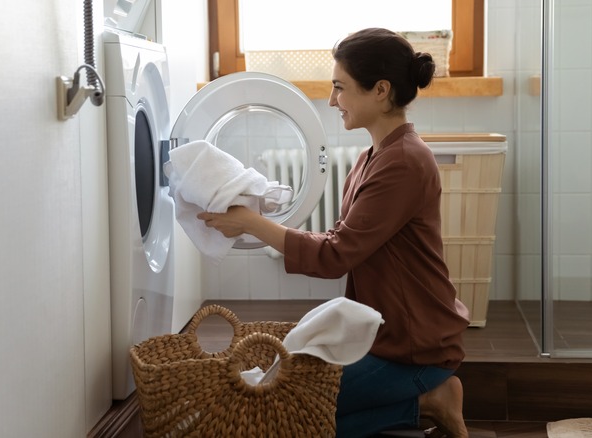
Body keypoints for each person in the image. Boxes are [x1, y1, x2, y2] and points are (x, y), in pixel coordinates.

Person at [198, 28, 470, 438]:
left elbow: (335, 255)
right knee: (296, 411)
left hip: (414, 348)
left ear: (380, 90)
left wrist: (252, 223)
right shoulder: (372, 157)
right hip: (387, 332)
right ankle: (423, 404)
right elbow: (343, 241)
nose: (331, 100)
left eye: (340, 88)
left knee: (290, 410)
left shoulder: (404, 163)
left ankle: (427, 396)